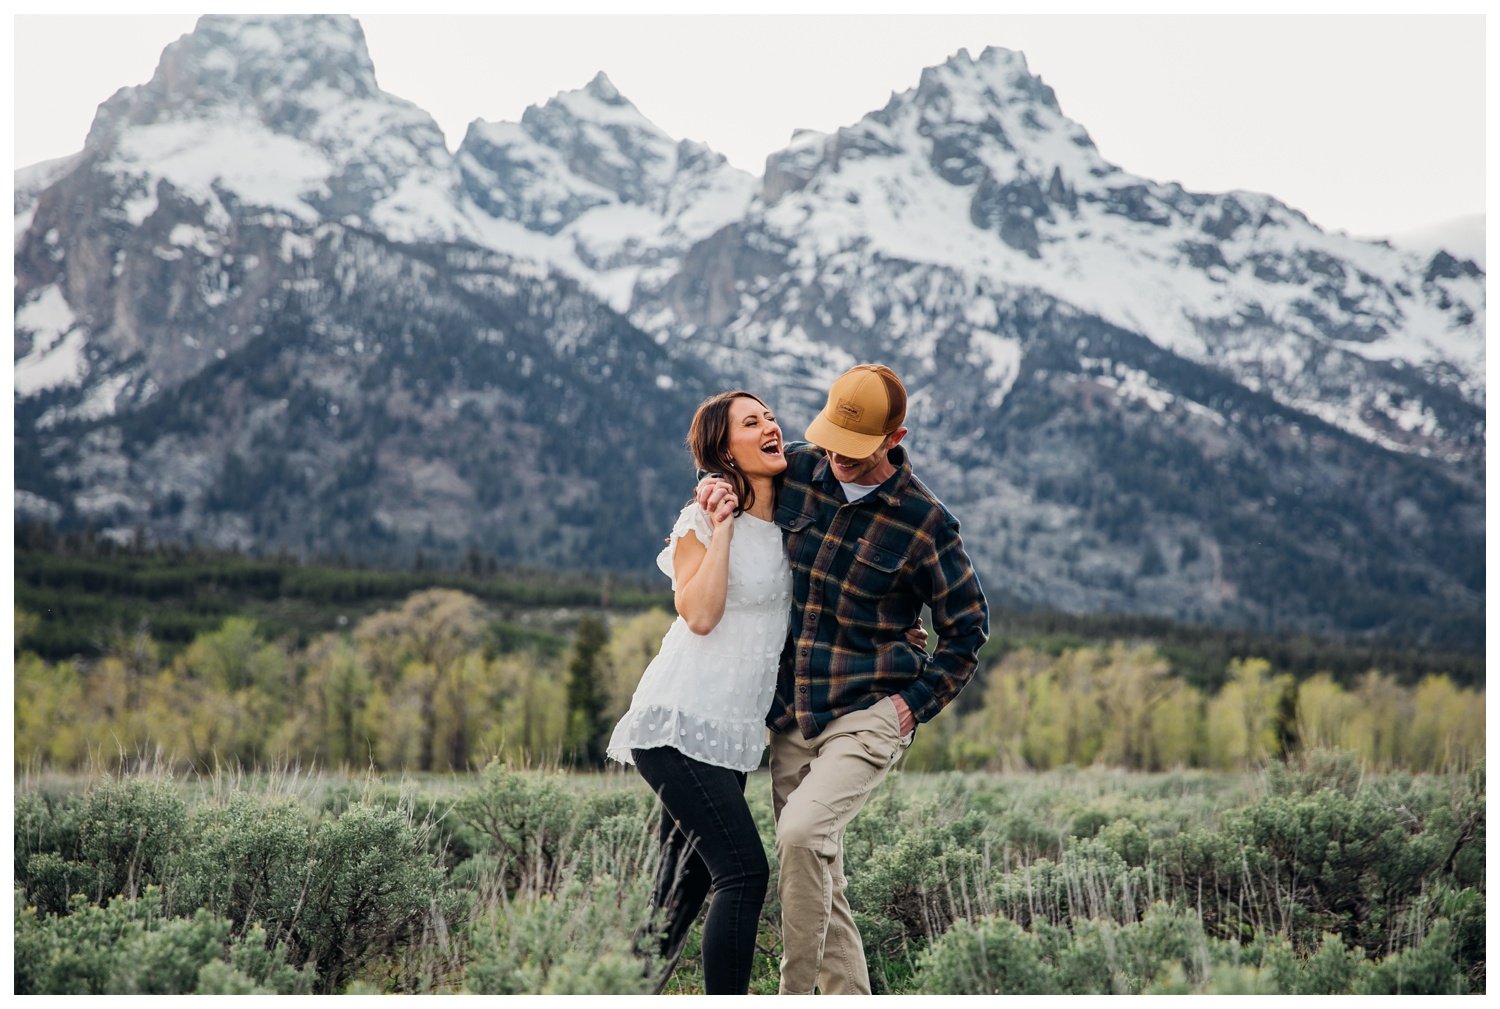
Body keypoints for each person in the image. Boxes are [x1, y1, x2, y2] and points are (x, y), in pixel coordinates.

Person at [698, 363, 989, 995]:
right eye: (830, 439)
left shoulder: (926, 523)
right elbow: (735, 470)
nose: (837, 458)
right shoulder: (802, 468)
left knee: (801, 834)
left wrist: (913, 706)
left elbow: (967, 631)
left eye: (855, 450)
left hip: (871, 710)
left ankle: (793, 995)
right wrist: (711, 489)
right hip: (796, 712)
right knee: (817, 873)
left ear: (896, 437)